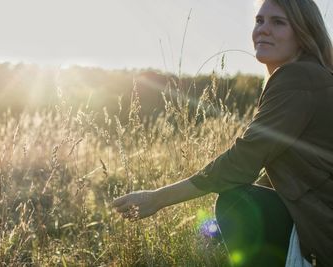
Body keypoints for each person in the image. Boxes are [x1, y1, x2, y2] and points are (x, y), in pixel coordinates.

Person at [112, 0, 333, 266]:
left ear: (303, 32)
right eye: (259, 21)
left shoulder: (297, 78)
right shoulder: (316, 76)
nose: (263, 29)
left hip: (324, 230)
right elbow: (277, 167)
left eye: (278, 22)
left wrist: (157, 198)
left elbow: (243, 160)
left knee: (235, 203)